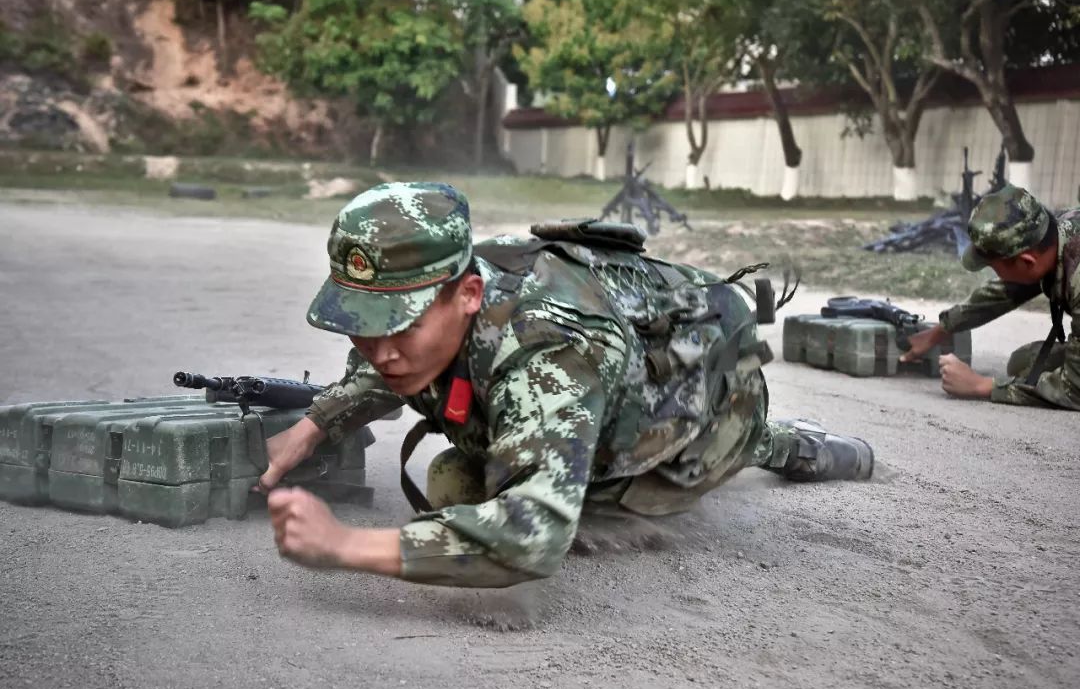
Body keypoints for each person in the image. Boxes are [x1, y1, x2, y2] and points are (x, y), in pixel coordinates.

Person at [262, 181, 874, 587]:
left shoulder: (548, 353)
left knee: (468, 487)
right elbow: (384, 363)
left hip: (704, 407)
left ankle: (790, 446)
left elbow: (533, 538)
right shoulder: (447, 288)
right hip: (608, 381)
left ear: (467, 294)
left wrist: (345, 546)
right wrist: (314, 427)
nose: (382, 350)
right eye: (362, 327)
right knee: (460, 477)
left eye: (400, 325)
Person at [901, 184, 1080, 409]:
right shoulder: (1053, 234)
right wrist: (941, 330)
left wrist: (982, 386)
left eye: (994, 267)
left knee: (1037, 372)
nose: (996, 275)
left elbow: (1075, 390)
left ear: (1026, 261)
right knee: (1025, 363)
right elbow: (1002, 293)